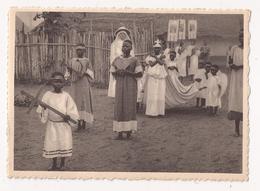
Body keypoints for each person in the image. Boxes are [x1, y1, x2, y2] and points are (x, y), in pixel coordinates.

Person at [36, 72, 79, 171]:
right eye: (56, 81)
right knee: (53, 143)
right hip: (52, 125)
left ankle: (63, 163)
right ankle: (54, 163)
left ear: (64, 83)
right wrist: (44, 108)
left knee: (64, 143)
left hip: (63, 125)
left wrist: (68, 116)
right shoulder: (47, 95)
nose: (58, 83)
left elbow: (72, 109)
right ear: (51, 82)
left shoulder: (66, 96)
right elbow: (41, 109)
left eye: (60, 81)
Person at [110, 40, 143, 139]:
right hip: (120, 85)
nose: (125, 48)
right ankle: (119, 133)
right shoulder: (117, 60)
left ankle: (128, 132)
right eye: (123, 46)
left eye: (127, 46)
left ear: (131, 48)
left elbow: (140, 74)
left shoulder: (134, 60)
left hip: (130, 85)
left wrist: (128, 73)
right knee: (119, 106)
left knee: (129, 106)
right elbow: (112, 71)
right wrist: (118, 72)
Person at [65, 43, 94, 131]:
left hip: (84, 83)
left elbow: (91, 72)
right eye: (77, 50)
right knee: (75, 101)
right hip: (75, 84)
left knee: (83, 101)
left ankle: (84, 122)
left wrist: (83, 73)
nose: (79, 51)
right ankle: (77, 122)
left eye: (81, 50)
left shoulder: (87, 61)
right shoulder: (72, 61)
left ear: (84, 51)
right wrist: (70, 71)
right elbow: (68, 73)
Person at [108, 26, 134, 98]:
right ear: (118, 35)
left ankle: (126, 93)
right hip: (117, 63)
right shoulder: (114, 44)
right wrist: (115, 64)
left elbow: (132, 55)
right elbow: (112, 55)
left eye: (124, 34)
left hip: (127, 63)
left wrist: (129, 63)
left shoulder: (129, 44)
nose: (122, 36)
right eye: (120, 34)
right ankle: (116, 94)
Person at [145, 40, 167, 117]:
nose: (157, 49)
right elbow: (151, 65)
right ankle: (151, 112)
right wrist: (157, 57)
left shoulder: (163, 56)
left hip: (161, 77)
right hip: (152, 77)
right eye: (155, 48)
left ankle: (160, 112)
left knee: (160, 94)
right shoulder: (149, 57)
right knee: (152, 94)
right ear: (153, 49)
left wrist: (156, 57)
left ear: (160, 49)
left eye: (158, 48)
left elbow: (162, 63)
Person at [228, 29, 244, 136]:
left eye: (244, 37)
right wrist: (233, 66)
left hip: (246, 75)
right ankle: (237, 130)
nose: (242, 39)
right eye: (240, 37)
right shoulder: (234, 49)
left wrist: (242, 66)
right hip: (236, 76)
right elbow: (230, 61)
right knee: (237, 99)